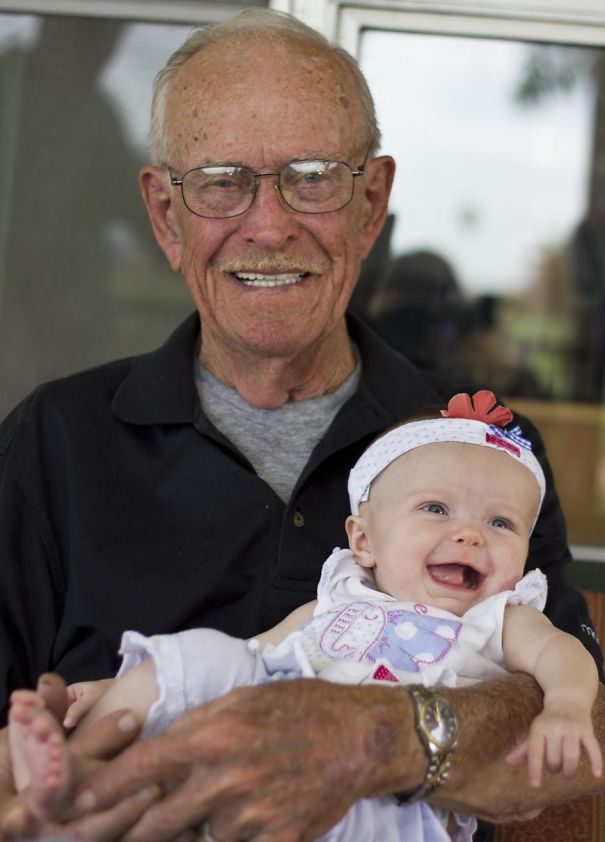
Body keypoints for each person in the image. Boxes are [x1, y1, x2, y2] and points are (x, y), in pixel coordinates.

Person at [0, 8, 602, 842]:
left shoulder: (478, 456)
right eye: (219, 181)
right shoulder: (51, 442)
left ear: (370, 204)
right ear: (167, 216)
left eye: (312, 176)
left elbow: (559, 736)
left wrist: (367, 736)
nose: (270, 224)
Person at [7, 392, 603, 842]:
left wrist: (567, 708)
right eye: (436, 509)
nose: (471, 535)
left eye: (501, 524)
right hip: (256, 754)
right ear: (363, 540)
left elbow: (564, 657)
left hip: (389, 800)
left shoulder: (499, 617)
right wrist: (122, 684)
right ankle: (76, 767)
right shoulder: (339, 596)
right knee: (213, 653)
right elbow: (261, 651)